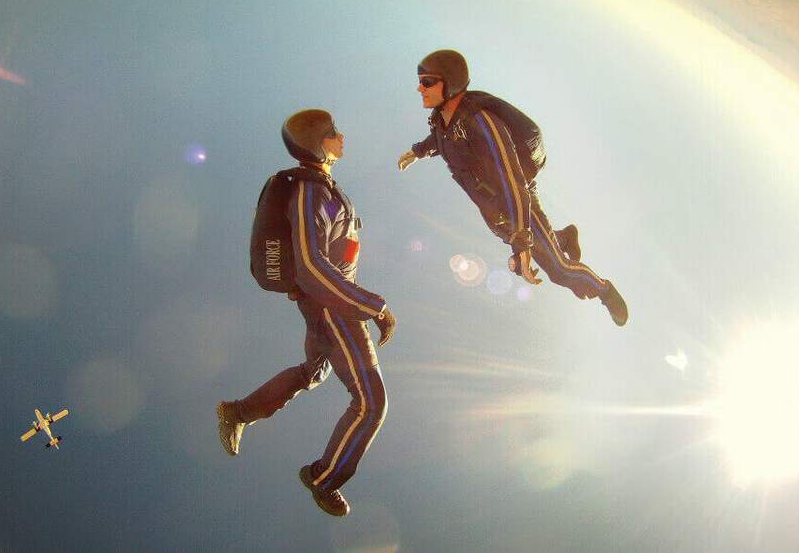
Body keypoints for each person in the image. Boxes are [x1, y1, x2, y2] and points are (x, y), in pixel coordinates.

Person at [218, 109, 396, 517]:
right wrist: (375, 307)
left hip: (326, 307)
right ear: (318, 145)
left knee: (314, 372)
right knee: (371, 403)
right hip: (334, 309)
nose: (341, 137)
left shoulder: (323, 190)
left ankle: (238, 412)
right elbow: (312, 268)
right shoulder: (311, 192)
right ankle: (323, 479)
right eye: (333, 133)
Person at [398, 50, 628, 326]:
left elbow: (511, 179)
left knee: (558, 269)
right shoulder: (443, 120)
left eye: (427, 82)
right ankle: (563, 238)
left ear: (451, 84)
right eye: (420, 81)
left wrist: (521, 238)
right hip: (498, 210)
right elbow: (440, 139)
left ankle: (605, 290)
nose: (420, 88)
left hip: (517, 202)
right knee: (534, 255)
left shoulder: (481, 121)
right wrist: (418, 152)